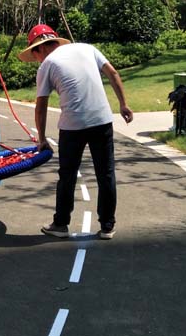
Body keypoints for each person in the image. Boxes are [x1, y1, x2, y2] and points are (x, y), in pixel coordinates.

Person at [18, 24, 133, 240]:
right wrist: (123, 104)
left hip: (73, 125)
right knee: (106, 173)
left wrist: (41, 139)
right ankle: (107, 226)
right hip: (102, 120)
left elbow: (41, 106)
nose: (37, 60)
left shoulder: (47, 65)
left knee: (68, 175)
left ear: (40, 48)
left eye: (35, 55)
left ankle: (61, 224)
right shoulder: (88, 48)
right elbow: (113, 73)